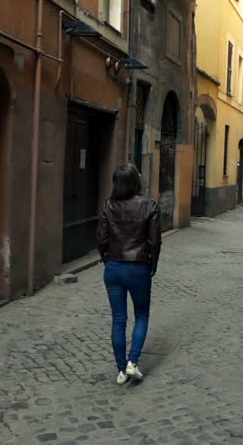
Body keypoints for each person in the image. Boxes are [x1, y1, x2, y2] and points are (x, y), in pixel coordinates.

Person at [95, 164, 161, 385]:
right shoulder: (149, 205)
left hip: (113, 267)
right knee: (141, 314)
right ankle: (133, 362)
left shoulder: (108, 206)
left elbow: (101, 239)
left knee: (118, 320)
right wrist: (153, 265)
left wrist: (107, 260)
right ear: (135, 182)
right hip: (138, 267)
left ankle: (121, 370)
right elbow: (154, 241)